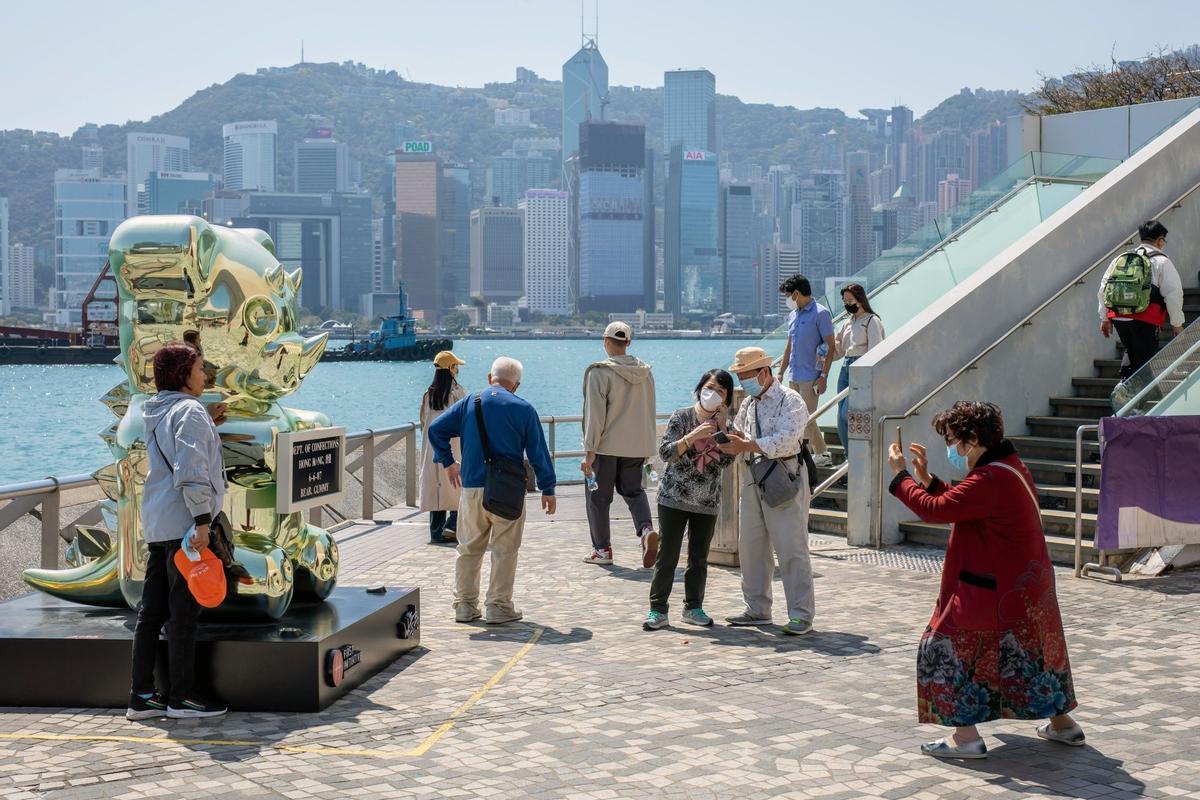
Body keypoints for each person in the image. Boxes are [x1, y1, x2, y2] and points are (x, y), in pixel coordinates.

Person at [887, 401, 1082, 760]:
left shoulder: (989, 478)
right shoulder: (1009, 467)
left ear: (972, 439)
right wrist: (928, 480)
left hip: (993, 589)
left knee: (944, 649)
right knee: (1030, 654)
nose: (951, 449)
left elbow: (938, 510)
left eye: (952, 440)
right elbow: (963, 502)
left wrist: (901, 477)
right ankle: (1063, 724)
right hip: (1025, 587)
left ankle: (966, 739)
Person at [127, 343, 228, 720]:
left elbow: (176, 453)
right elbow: (190, 471)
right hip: (185, 528)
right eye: (200, 368)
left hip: (159, 524)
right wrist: (202, 522)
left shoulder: (158, 409)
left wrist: (209, 423)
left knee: (150, 612)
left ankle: (142, 695)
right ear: (184, 374)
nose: (205, 375)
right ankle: (181, 697)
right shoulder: (189, 412)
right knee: (183, 613)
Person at [428, 357, 557, 625]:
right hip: (508, 491)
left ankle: (464, 605)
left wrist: (449, 462)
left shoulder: (469, 403)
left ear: (490, 378)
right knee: (505, 549)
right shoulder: (524, 409)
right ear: (516, 385)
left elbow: (435, 429)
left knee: (469, 548)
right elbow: (538, 454)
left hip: (472, 487)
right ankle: (498, 606)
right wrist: (548, 487)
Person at [717, 347, 816, 636]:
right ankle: (757, 608)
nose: (744, 381)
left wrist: (746, 445)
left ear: (764, 372)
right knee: (751, 546)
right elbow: (743, 434)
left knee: (791, 547)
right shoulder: (749, 404)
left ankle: (801, 613)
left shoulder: (790, 400)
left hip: (783, 476)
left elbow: (787, 440)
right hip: (753, 475)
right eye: (741, 376)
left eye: (747, 375)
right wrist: (730, 437)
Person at [643, 369, 736, 631]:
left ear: (726, 398)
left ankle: (693, 607)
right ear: (699, 388)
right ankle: (658, 609)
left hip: (707, 500)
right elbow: (665, 453)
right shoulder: (682, 416)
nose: (713, 394)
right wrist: (692, 436)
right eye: (709, 387)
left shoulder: (726, 425)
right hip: (673, 497)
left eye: (720, 391)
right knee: (668, 554)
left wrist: (723, 428)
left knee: (698, 557)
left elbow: (728, 460)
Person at [580, 321, 659, 569]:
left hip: (605, 447)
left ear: (605, 341)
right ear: (628, 343)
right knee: (634, 492)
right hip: (636, 447)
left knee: (598, 499)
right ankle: (646, 529)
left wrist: (589, 451)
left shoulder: (599, 372)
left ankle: (602, 549)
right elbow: (649, 410)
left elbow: (595, 416)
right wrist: (648, 448)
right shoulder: (645, 372)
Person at [1098, 219, 1185, 381]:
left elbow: (1103, 289)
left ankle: (1124, 384)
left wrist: (1104, 318)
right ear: (1160, 240)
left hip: (1118, 317)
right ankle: (1137, 398)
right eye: (1163, 241)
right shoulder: (1162, 261)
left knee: (1131, 350)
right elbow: (1173, 294)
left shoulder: (1120, 259)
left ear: (1141, 239)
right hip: (1145, 318)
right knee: (1145, 362)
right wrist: (1177, 324)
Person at [777, 275, 836, 468]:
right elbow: (789, 347)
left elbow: (830, 346)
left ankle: (803, 457)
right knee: (802, 416)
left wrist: (824, 376)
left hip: (811, 376)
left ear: (796, 293)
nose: (787, 300)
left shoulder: (821, 313)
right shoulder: (793, 315)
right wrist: (780, 372)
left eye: (788, 295)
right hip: (793, 376)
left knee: (804, 418)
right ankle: (823, 453)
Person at [419, 350, 466, 544]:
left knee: (436, 493)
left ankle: (437, 533)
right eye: (456, 366)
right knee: (455, 488)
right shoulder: (456, 392)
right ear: (450, 368)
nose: (457, 370)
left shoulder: (428, 395)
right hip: (453, 447)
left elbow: (422, 422)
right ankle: (453, 527)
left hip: (431, 449)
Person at [834, 284, 885, 452]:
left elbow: (876, 349)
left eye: (850, 300)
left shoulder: (872, 320)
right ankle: (848, 455)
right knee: (841, 416)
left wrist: (868, 373)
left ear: (860, 299)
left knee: (847, 413)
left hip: (861, 365)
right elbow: (839, 350)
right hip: (845, 367)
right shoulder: (848, 322)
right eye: (844, 301)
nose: (847, 303)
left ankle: (856, 454)